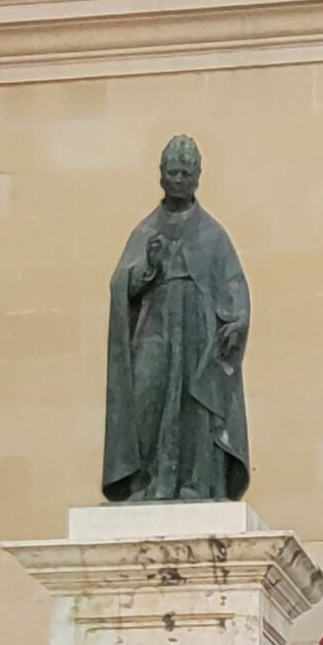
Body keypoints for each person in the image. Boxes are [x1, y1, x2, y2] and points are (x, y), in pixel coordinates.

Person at [102, 134, 250, 502]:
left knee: (196, 402)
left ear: (198, 176)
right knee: (146, 395)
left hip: (199, 327)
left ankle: (197, 482)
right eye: (173, 172)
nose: (180, 179)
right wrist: (148, 267)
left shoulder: (213, 235)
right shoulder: (146, 231)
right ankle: (147, 479)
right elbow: (122, 283)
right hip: (155, 327)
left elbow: (233, 283)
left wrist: (236, 321)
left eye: (186, 173)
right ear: (161, 176)